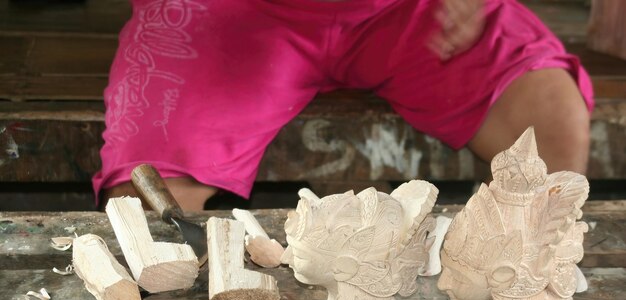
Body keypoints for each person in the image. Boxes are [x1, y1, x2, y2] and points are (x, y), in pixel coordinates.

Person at [94, 0, 594, 211]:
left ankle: (516, 293)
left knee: (550, 129)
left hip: (405, 11)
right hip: (233, 13)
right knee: (148, 203)